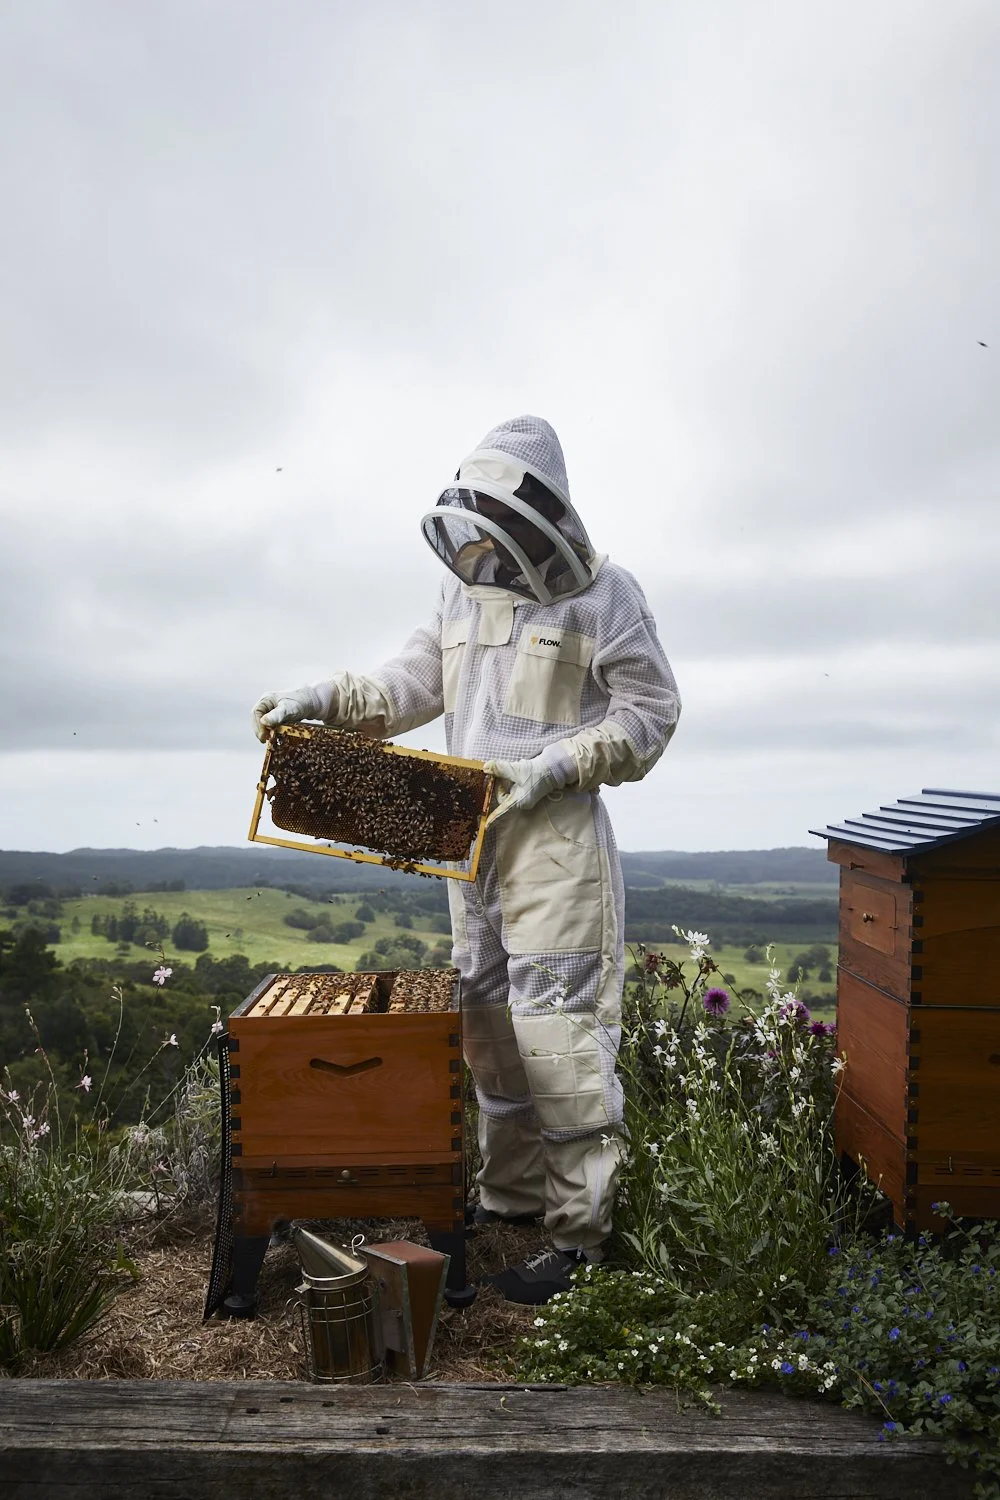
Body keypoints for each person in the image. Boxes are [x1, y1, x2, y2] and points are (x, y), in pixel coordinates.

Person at [252, 415, 680, 1303]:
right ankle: (511, 1198)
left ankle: (581, 1240)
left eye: (499, 525)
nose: (484, 546)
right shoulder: (459, 592)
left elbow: (650, 714)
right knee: (487, 1028)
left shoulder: (607, 597)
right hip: (466, 839)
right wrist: (320, 699)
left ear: (538, 518)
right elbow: (409, 683)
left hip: (555, 844)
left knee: (557, 1034)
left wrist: (555, 765)